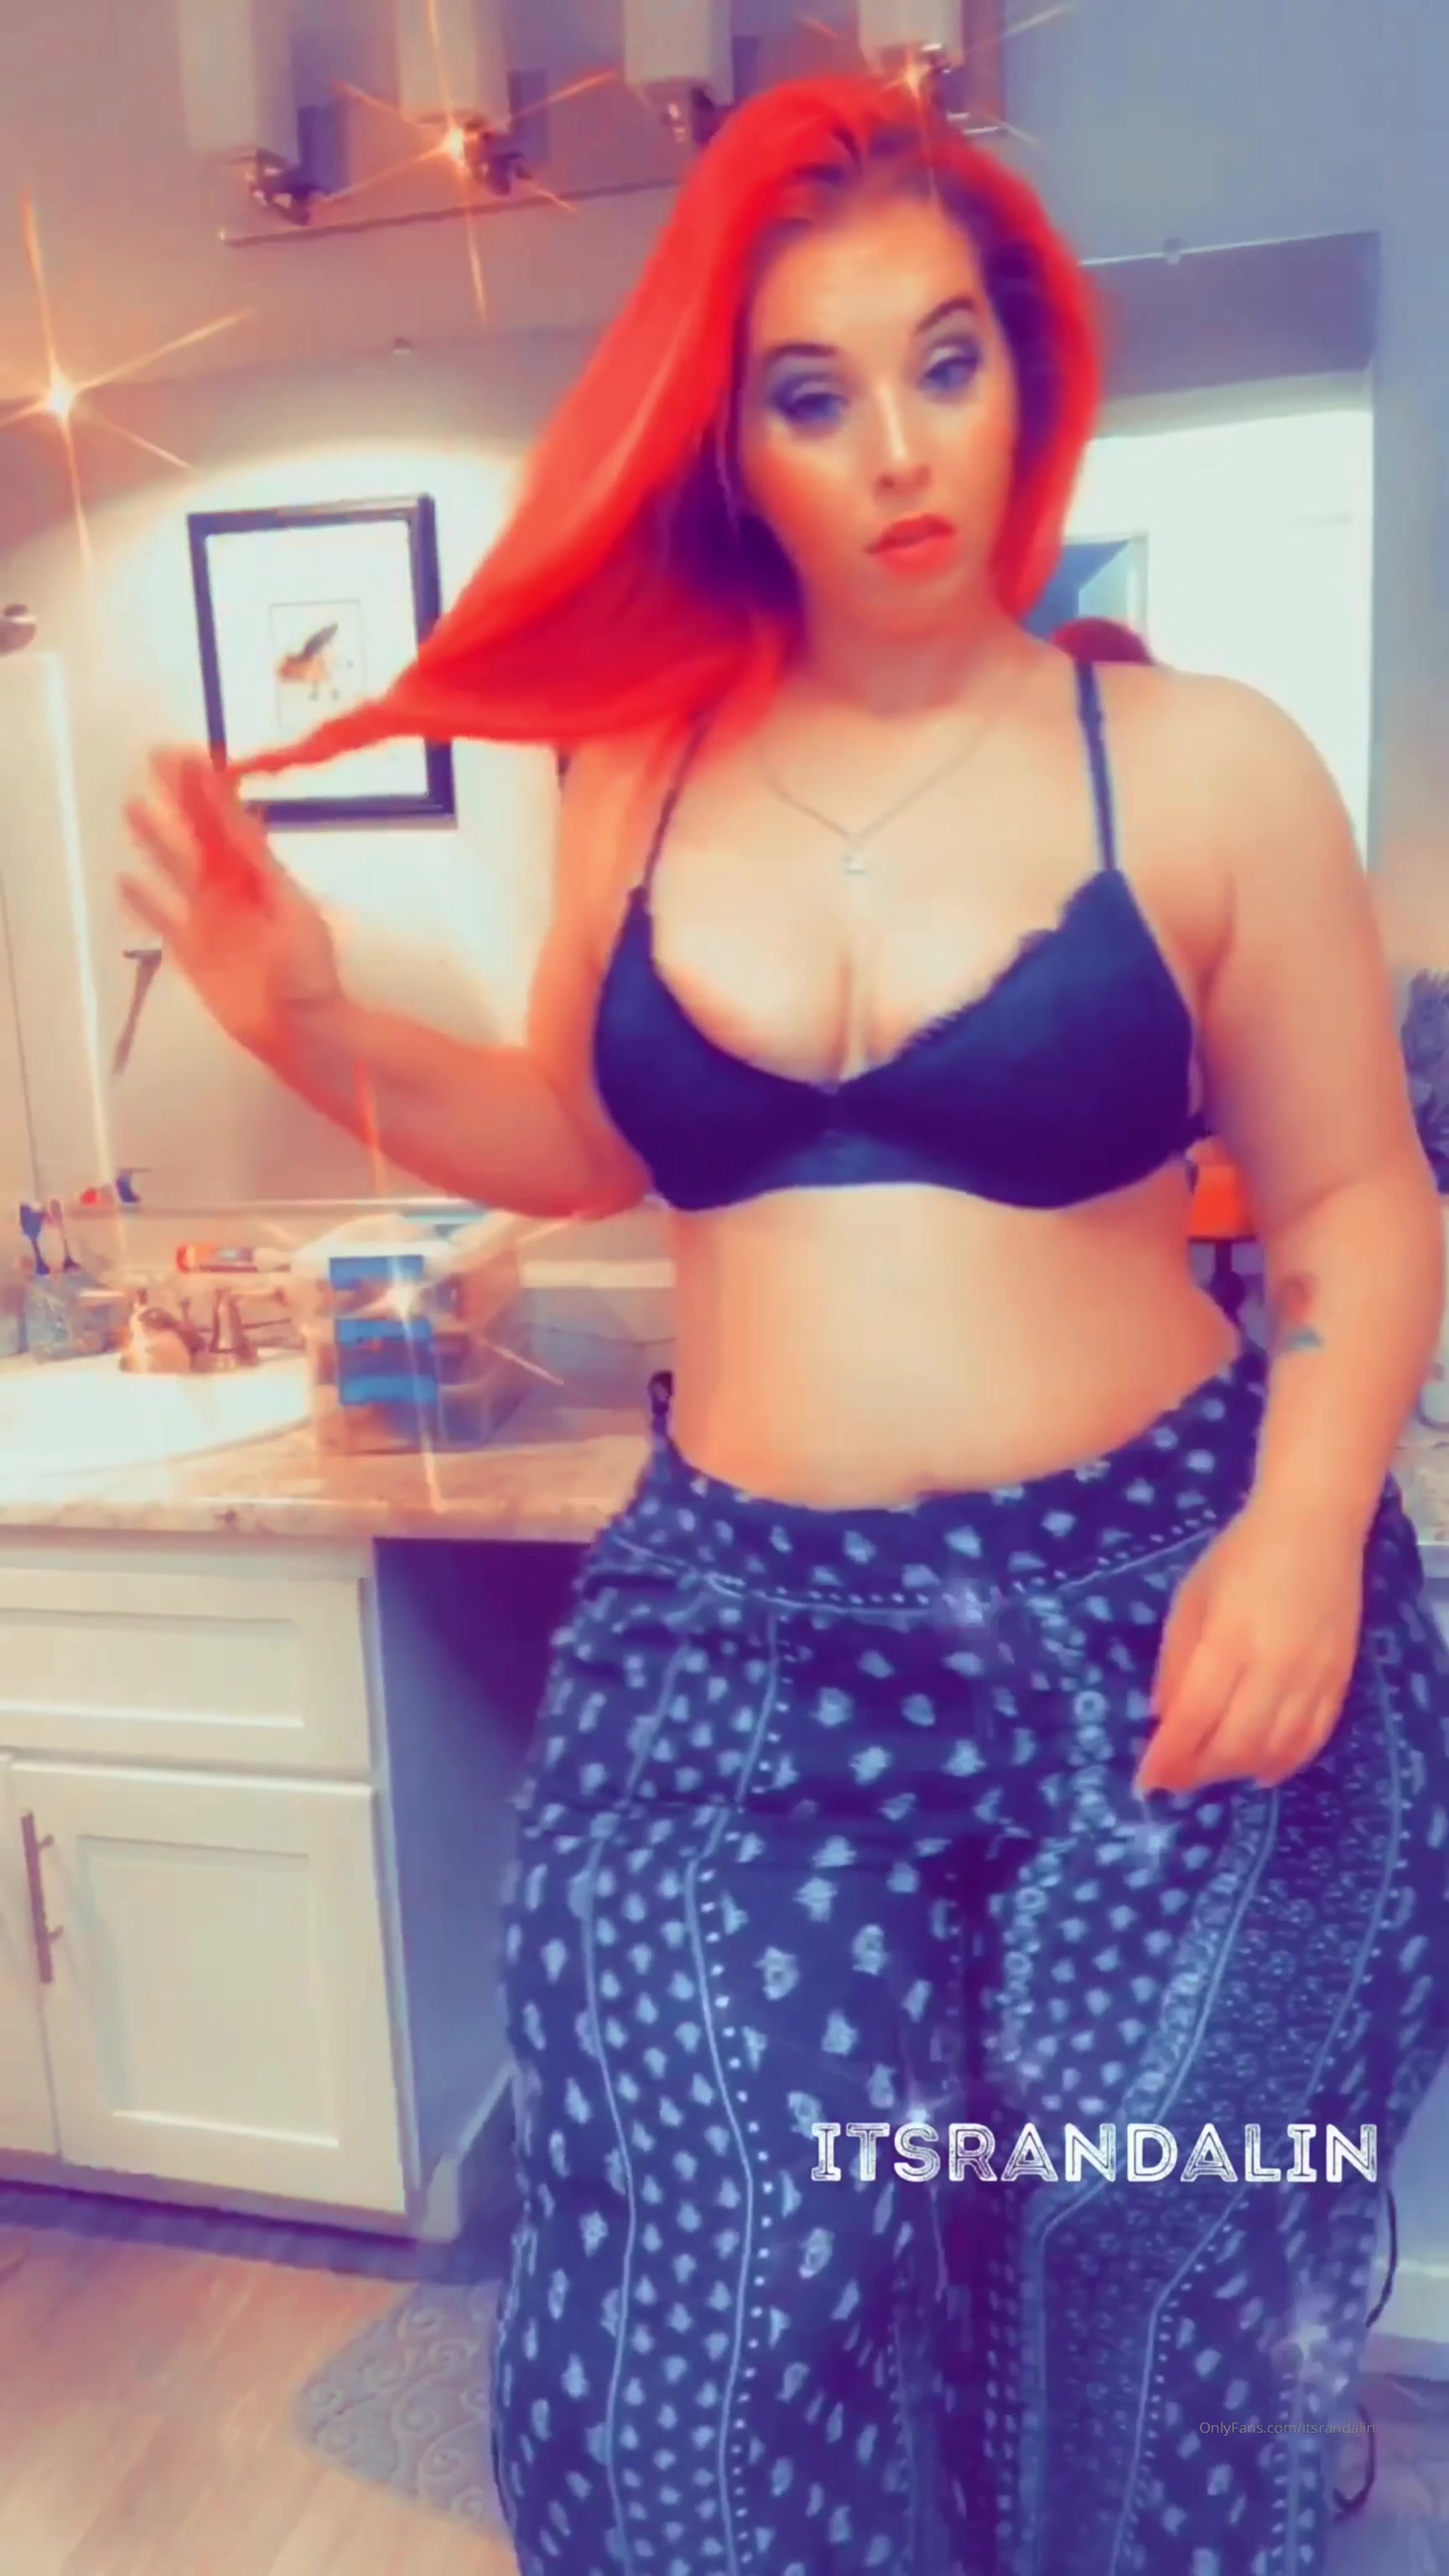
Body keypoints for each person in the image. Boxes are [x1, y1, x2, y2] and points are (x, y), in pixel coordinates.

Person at [122, 70, 1449, 2576]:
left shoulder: (1197, 767)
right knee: (705, 2316)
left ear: (1027, 375)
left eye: (944, 362)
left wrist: (1296, 1532)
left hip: (1154, 1610)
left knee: (1123, 2288)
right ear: (732, 447)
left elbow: (1358, 1202)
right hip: (735, 1635)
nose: (897, 450)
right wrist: (300, 1012)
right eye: (812, 394)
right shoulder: (638, 780)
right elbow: (578, 1132)